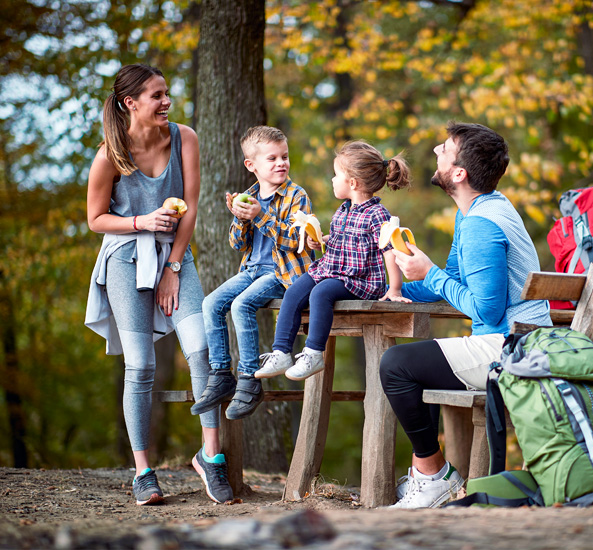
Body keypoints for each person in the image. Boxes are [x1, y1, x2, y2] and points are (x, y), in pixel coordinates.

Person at [379, 121, 551, 509]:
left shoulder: (480, 224)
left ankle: (433, 477)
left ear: (459, 173)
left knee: (396, 365)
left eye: (444, 148)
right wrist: (394, 288)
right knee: (415, 363)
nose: (436, 150)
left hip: (513, 348)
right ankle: (428, 476)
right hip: (513, 340)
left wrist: (430, 273)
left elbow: (486, 308)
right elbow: (455, 279)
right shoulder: (479, 210)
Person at [85, 63, 233, 505]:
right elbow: (95, 219)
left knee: (202, 349)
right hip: (124, 260)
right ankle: (143, 472)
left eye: (167, 93)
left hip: (175, 257)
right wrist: (141, 221)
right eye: (157, 95)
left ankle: (210, 456)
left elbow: (190, 207)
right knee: (140, 366)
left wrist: (173, 267)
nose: (167, 101)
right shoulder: (109, 155)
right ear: (130, 102)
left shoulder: (185, 138)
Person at [255, 140, 412, 382]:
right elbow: (342, 239)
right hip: (332, 269)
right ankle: (281, 352)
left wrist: (395, 288)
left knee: (321, 293)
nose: (332, 179)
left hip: (360, 280)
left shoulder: (377, 214)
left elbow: (389, 249)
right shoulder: (343, 210)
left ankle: (313, 353)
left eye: (336, 174)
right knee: (295, 291)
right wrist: (321, 240)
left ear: (352, 183)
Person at [189, 126, 314, 420]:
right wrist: (240, 217)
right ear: (251, 165)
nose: (281, 163)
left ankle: (249, 379)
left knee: (241, 305)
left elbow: (295, 241)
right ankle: (221, 374)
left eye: (284, 156)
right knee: (211, 303)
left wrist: (260, 215)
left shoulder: (297, 195)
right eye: (272, 158)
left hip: (284, 273)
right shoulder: (249, 196)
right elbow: (237, 244)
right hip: (252, 270)